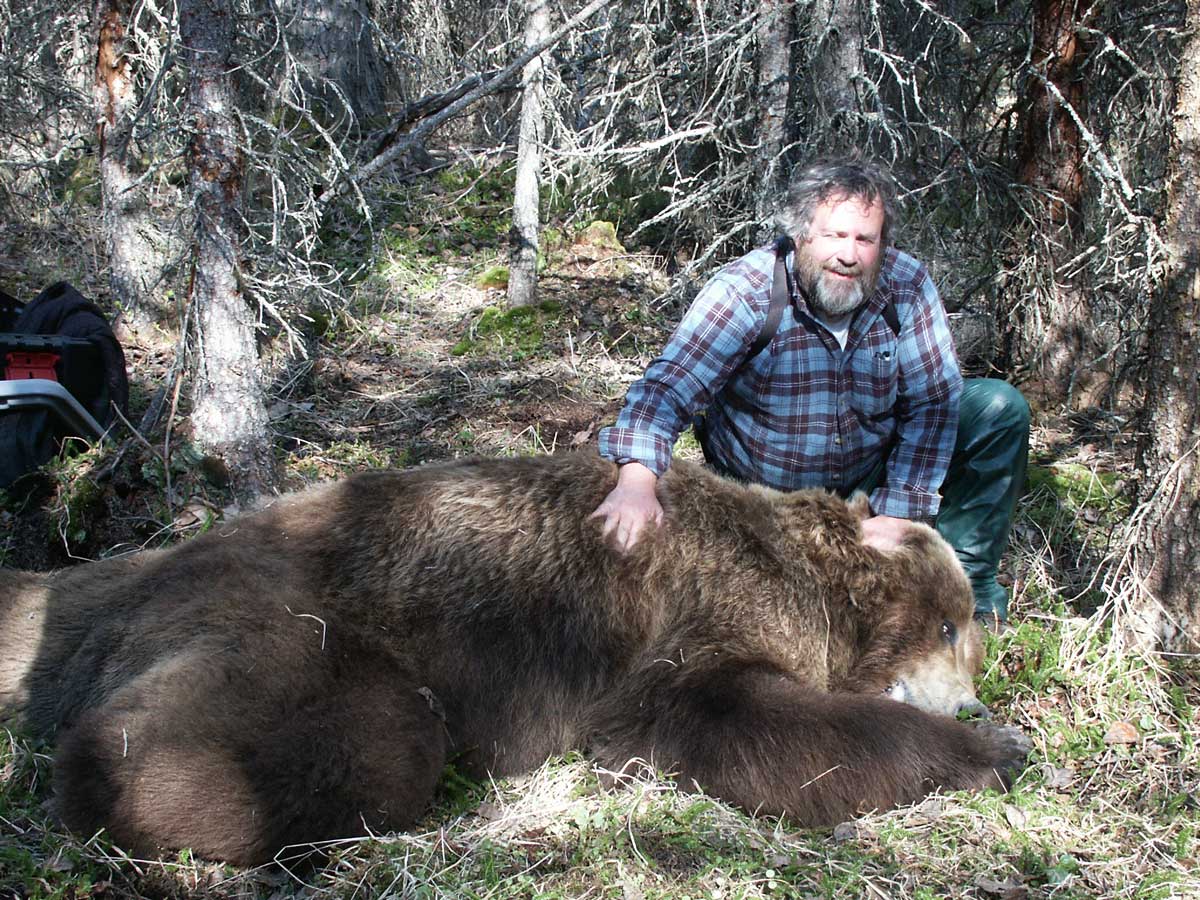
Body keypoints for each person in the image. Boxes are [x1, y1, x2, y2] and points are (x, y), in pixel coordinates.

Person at [592, 159, 1029, 626]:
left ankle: (969, 593)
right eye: (834, 236)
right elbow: (667, 389)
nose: (849, 255)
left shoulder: (906, 286)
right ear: (800, 235)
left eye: (865, 240)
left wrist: (901, 511)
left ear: (883, 245)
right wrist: (636, 482)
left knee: (997, 410)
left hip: (868, 475)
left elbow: (932, 402)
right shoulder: (747, 291)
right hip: (765, 494)